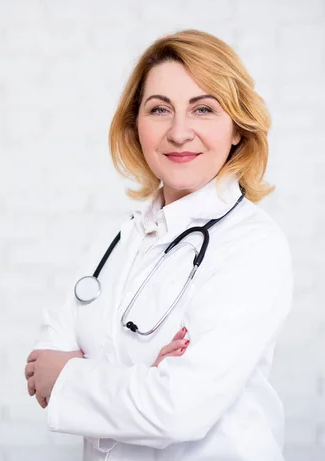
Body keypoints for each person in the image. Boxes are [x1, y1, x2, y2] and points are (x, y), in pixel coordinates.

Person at [24, 29, 293, 461]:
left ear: (238, 129)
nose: (179, 132)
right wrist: (143, 376)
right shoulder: (115, 241)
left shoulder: (253, 246)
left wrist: (74, 378)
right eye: (159, 110)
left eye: (203, 109)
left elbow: (178, 409)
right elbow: (43, 365)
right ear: (136, 126)